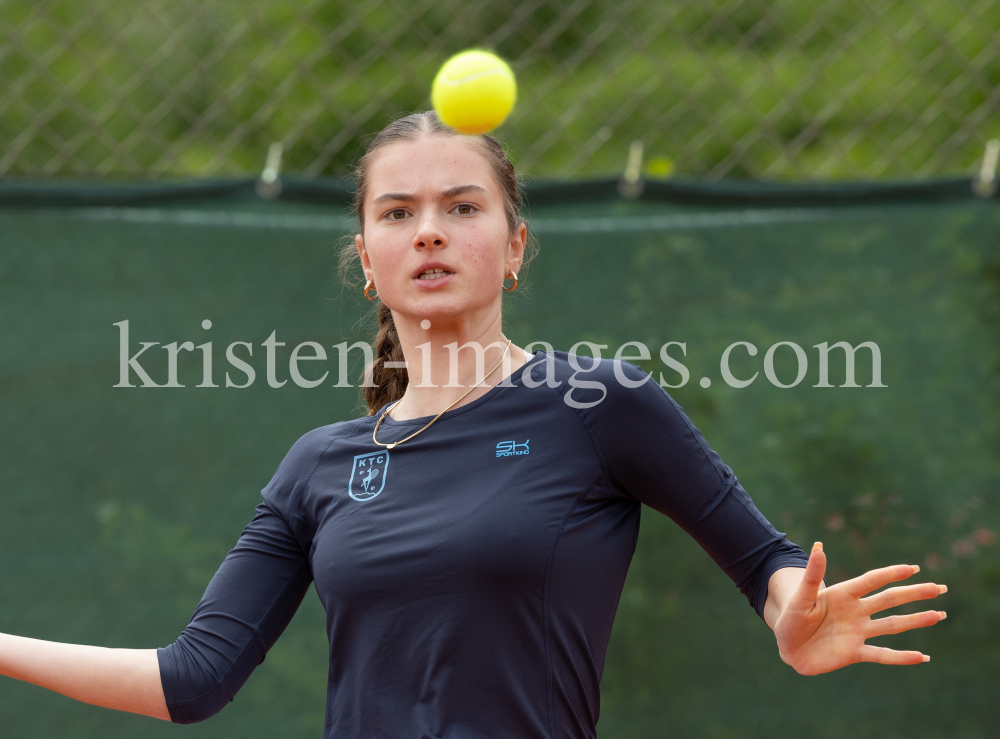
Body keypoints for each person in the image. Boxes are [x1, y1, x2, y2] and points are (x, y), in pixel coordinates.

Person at [0, 111, 947, 737]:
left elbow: (766, 563)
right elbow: (192, 677)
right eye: (398, 211)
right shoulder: (318, 465)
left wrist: (791, 616)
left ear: (516, 245)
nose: (429, 231)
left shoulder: (600, 405)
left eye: (463, 207)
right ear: (366, 258)